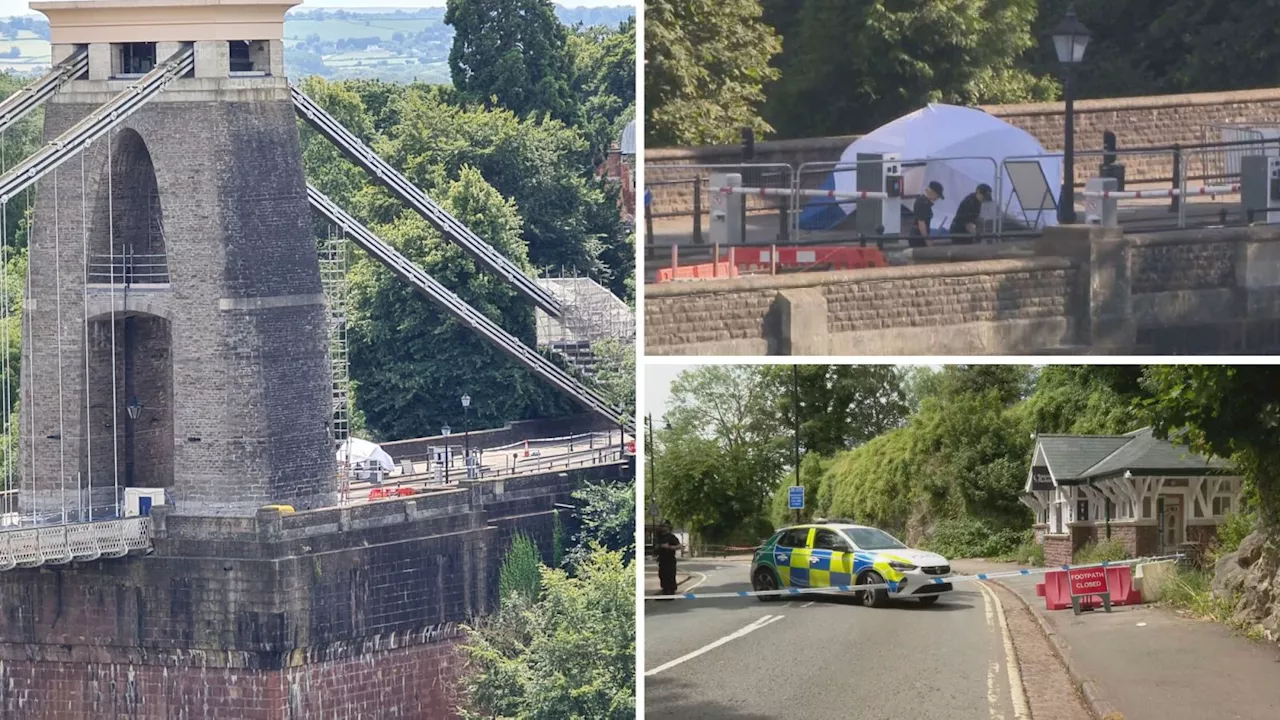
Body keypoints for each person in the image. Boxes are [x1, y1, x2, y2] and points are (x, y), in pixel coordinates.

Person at [910, 181, 944, 248]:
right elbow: (921, 223)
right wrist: (927, 240)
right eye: (937, 196)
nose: (937, 198)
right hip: (918, 238)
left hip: (918, 236)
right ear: (933, 193)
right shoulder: (923, 203)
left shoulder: (924, 201)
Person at [654, 520, 683, 599]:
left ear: (668, 527)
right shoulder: (659, 537)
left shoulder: (671, 537)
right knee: (662, 575)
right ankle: (665, 590)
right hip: (662, 560)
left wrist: (669, 547)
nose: (663, 528)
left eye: (664, 526)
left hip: (670, 559)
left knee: (670, 575)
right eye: (662, 526)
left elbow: (679, 546)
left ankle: (671, 591)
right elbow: (656, 547)